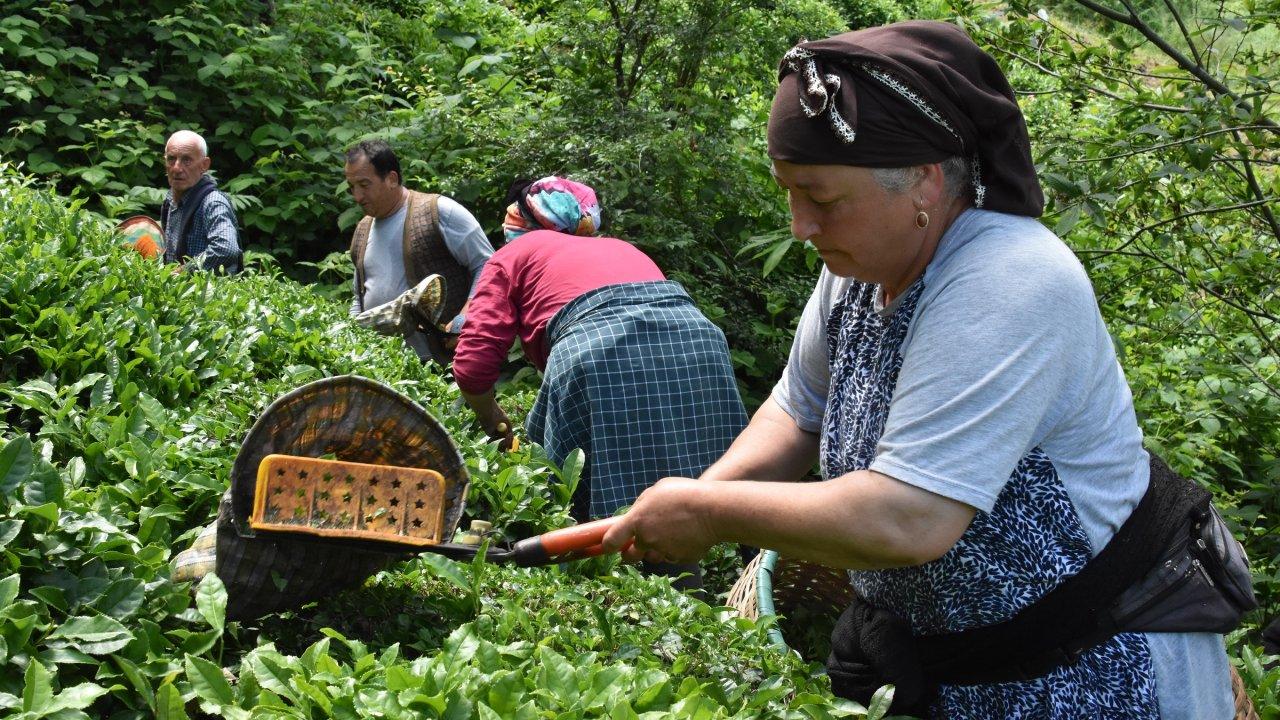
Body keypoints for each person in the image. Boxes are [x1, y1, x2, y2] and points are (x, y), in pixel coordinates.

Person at [599, 20, 1246, 718]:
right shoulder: (858, 268)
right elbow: (798, 408)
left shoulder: (1010, 279)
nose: (799, 225)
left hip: (1082, 675)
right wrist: (688, 501)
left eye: (821, 198)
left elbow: (910, 518)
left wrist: (708, 513)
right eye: (789, 190)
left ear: (924, 185)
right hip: (947, 665)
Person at [453, 176, 748, 585]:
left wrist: (493, 422)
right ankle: (685, 597)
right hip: (699, 344)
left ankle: (568, 591)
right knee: (676, 493)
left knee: (550, 493)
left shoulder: (514, 253)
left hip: (598, 348)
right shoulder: (622, 248)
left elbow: (473, 364)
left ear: (518, 223)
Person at [344, 140, 494, 364]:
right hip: (384, 367)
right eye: (352, 187)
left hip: (446, 362)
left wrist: (466, 316)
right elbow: (360, 297)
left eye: (364, 185)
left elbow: (489, 265)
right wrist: (351, 338)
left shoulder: (439, 211)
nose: (357, 196)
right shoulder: (363, 230)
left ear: (392, 179)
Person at [160, 130, 242, 273]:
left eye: (187, 160)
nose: (177, 168)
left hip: (209, 293)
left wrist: (183, 271)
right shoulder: (170, 199)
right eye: (171, 159)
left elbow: (227, 249)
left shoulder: (212, 202)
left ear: (204, 165)